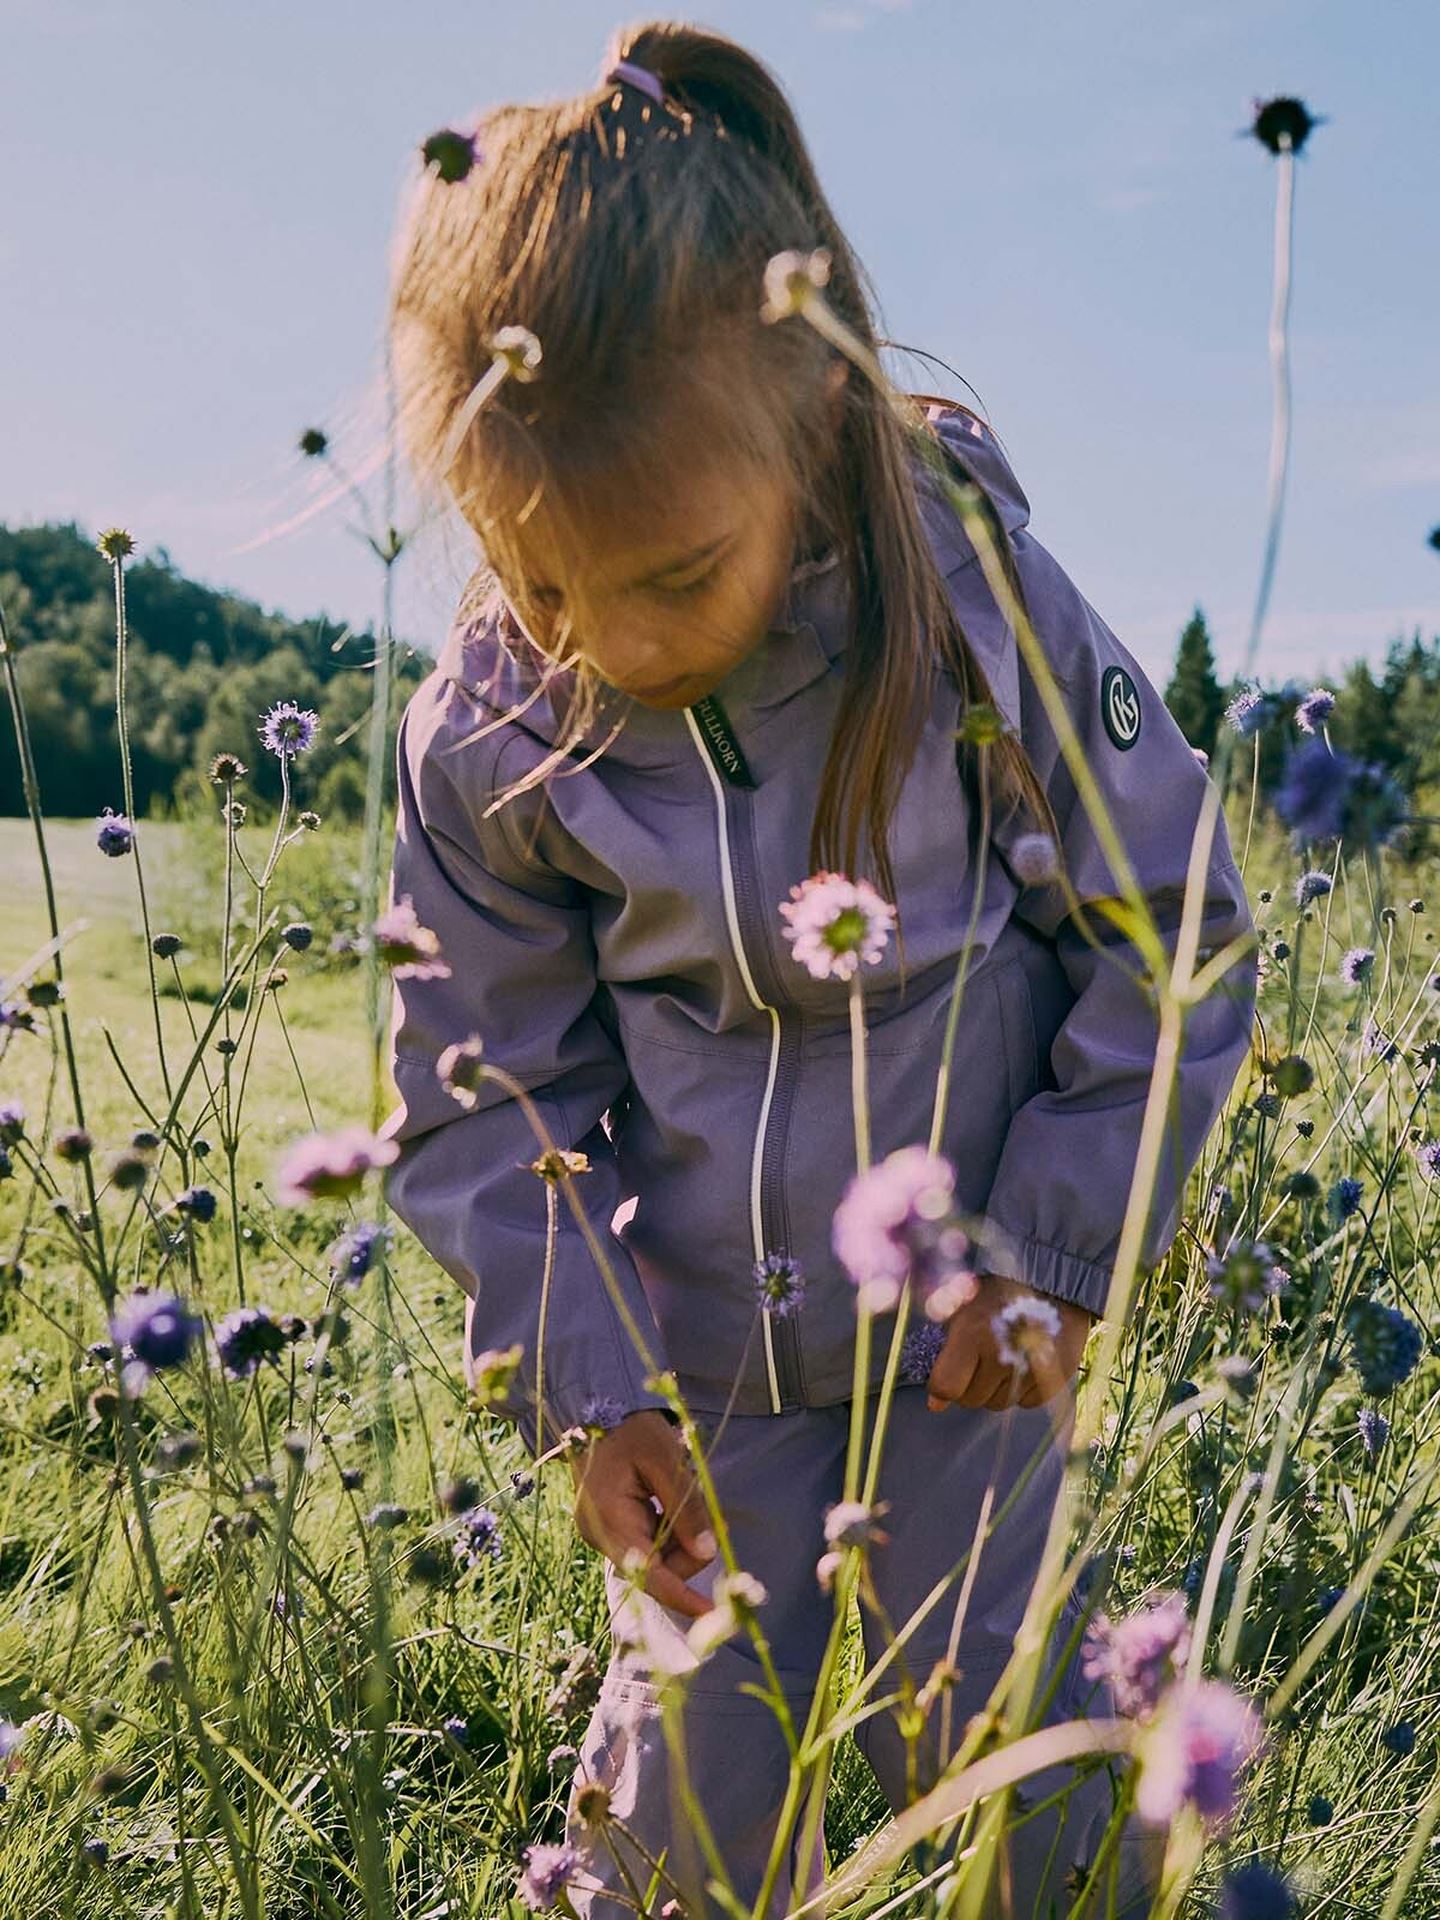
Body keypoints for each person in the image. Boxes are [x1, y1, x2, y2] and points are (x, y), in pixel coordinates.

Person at [380, 21, 1257, 1917]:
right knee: (683, 1816)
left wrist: (1053, 1255)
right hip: (702, 1375)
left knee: (1012, 1768)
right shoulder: (492, 729)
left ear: (806, 422)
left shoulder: (961, 593)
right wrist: (592, 1391)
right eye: (542, 581)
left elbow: (1167, 923)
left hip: (973, 1350)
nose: (608, 644)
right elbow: (483, 1086)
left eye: (672, 576)